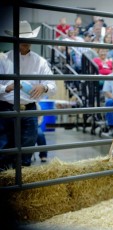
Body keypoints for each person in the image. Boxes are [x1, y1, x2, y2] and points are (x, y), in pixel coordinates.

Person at [1, 21, 56, 169]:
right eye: (22, 38)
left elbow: (52, 86)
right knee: (5, 146)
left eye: (28, 38)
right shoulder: (3, 59)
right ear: (15, 39)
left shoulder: (40, 62)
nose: (26, 42)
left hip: (29, 108)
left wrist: (43, 86)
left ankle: (22, 177)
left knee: (28, 146)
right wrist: (7, 88)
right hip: (7, 108)